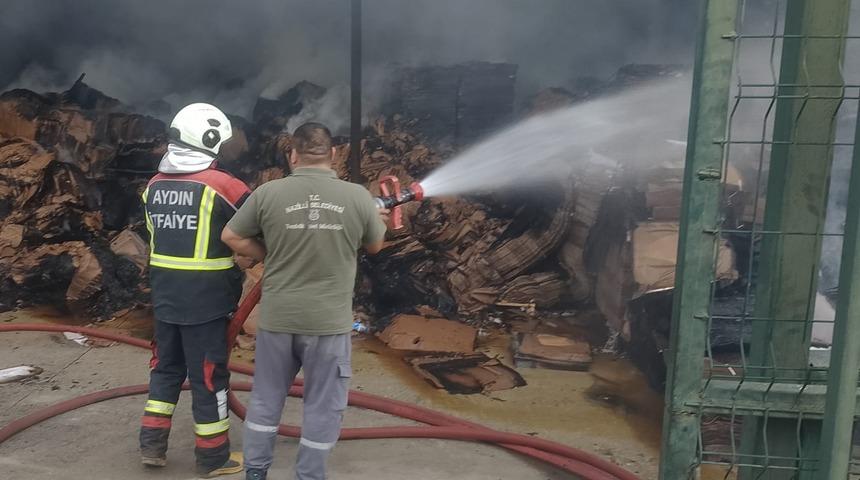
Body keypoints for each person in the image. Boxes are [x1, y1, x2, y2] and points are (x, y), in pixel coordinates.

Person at [221, 122, 388, 480]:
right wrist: (378, 221)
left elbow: (231, 235)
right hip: (328, 326)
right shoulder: (358, 197)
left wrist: (267, 251)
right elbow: (375, 246)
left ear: (292, 155)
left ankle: (255, 472)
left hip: (279, 320)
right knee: (322, 407)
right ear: (334, 156)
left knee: (266, 400)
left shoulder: (268, 193)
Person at [139, 103, 250, 478]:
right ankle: (214, 456)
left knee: (166, 369)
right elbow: (258, 222)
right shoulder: (224, 185)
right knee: (208, 377)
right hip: (206, 299)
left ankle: (151, 445)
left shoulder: (153, 186)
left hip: (165, 295)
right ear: (211, 140)